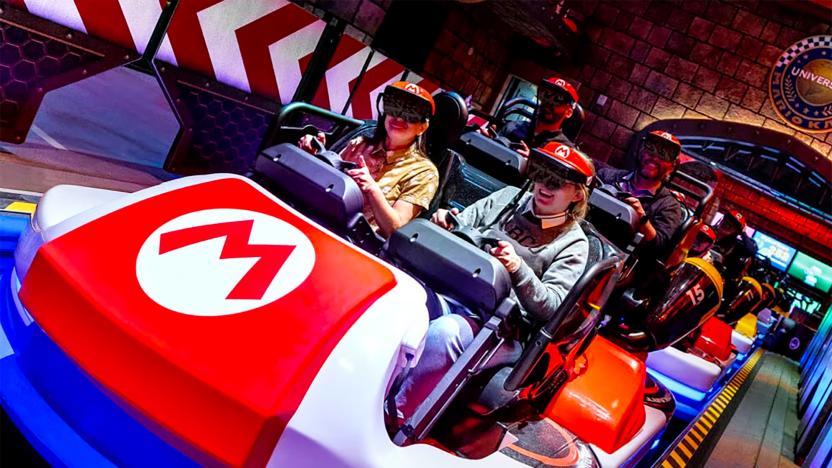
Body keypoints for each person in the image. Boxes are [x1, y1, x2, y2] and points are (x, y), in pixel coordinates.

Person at [394, 141, 593, 418]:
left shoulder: (574, 244)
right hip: (455, 288)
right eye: (543, 175)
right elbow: (463, 225)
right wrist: (447, 223)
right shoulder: (508, 197)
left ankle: (399, 414)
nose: (545, 186)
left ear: (577, 195)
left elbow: (550, 307)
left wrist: (517, 267)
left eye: (558, 182)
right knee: (400, 303)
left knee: (446, 333)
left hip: (501, 324)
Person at [299, 81, 439, 238]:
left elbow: (394, 229)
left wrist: (372, 189)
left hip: (357, 242)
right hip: (318, 217)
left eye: (410, 114)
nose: (399, 117)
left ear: (422, 127)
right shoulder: (360, 144)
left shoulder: (424, 173)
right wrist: (313, 155)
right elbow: (325, 183)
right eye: (394, 106)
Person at [596, 130, 685, 258]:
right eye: (650, 149)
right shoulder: (608, 176)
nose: (654, 158)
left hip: (617, 259)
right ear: (639, 151)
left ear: (672, 166)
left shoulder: (669, 206)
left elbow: (658, 247)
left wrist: (641, 218)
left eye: (664, 155)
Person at [479, 76, 579, 158]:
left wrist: (532, 165)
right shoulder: (513, 127)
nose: (549, 103)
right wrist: (486, 142)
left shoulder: (565, 151)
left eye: (558, 99)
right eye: (546, 95)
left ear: (569, 112)